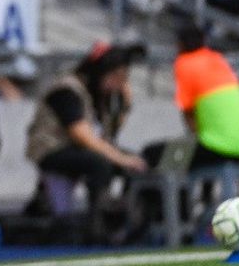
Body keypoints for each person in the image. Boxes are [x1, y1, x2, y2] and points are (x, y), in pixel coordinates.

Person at [25, 42, 147, 242]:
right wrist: (121, 159)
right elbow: (82, 136)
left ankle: (132, 221)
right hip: (52, 149)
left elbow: (108, 135)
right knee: (101, 163)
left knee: (135, 161)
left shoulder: (98, 95)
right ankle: (98, 226)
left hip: (79, 149)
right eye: (117, 77)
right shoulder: (68, 90)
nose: (120, 83)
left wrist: (124, 105)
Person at [143, 23, 239, 172]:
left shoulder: (184, 63)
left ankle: (170, 187)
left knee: (152, 154)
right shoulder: (217, 58)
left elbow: (189, 114)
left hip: (219, 148)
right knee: (194, 150)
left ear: (180, 44)